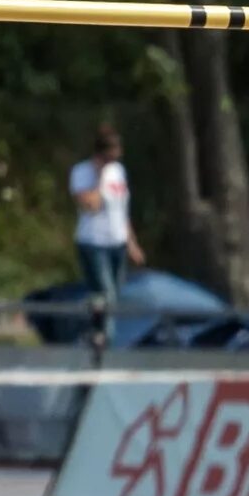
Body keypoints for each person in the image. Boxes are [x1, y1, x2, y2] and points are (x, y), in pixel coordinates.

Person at [70, 124, 144, 340]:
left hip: (117, 243)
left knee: (111, 298)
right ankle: (107, 341)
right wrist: (99, 177)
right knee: (106, 295)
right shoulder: (81, 172)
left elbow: (122, 210)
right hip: (94, 243)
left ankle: (95, 331)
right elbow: (90, 205)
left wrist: (132, 243)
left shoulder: (119, 172)